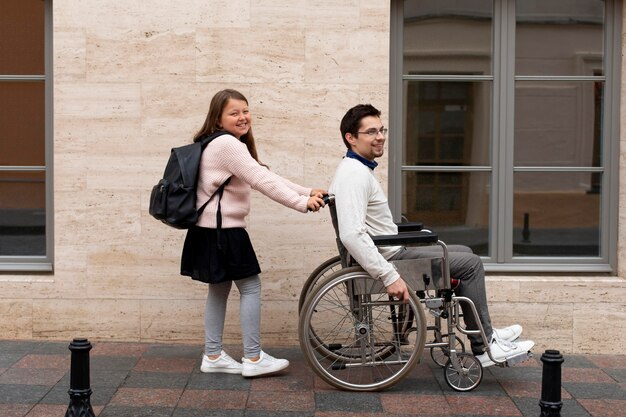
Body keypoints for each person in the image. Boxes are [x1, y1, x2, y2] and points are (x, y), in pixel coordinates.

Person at [328, 104, 534, 367]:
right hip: (391, 259)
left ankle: (484, 329)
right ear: (351, 137)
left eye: (381, 130)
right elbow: (352, 234)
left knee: (465, 252)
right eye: (371, 132)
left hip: (391, 250)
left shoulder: (356, 169)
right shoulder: (354, 175)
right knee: (471, 265)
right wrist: (389, 276)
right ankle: (484, 347)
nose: (380, 136)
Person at [181, 89, 326, 377]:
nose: (243, 117)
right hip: (226, 232)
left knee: (219, 290)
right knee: (250, 287)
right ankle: (254, 358)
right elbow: (261, 180)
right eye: (234, 113)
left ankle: (213, 355)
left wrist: (306, 190)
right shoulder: (227, 145)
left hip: (208, 231)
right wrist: (302, 203)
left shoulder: (217, 143)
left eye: (245, 110)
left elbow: (264, 174)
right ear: (218, 119)